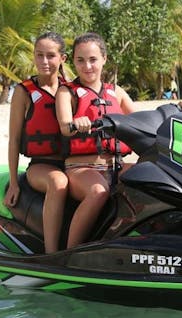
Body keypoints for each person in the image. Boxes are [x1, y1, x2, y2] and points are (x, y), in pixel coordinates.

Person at [56, 32, 136, 249]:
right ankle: (70, 254)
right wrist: (76, 123)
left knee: (151, 178)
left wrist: (173, 112)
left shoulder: (116, 92)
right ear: (73, 61)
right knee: (98, 191)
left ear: (104, 59)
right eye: (80, 60)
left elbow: (140, 120)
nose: (87, 66)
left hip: (115, 166)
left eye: (92, 60)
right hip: (80, 169)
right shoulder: (67, 92)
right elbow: (65, 125)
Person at [3, 32, 69, 254]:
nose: (44, 62)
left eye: (50, 56)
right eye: (39, 55)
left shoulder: (70, 89)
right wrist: (14, 182)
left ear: (63, 59)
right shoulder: (24, 92)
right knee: (58, 182)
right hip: (41, 166)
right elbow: (14, 140)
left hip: (72, 162)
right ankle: (52, 254)